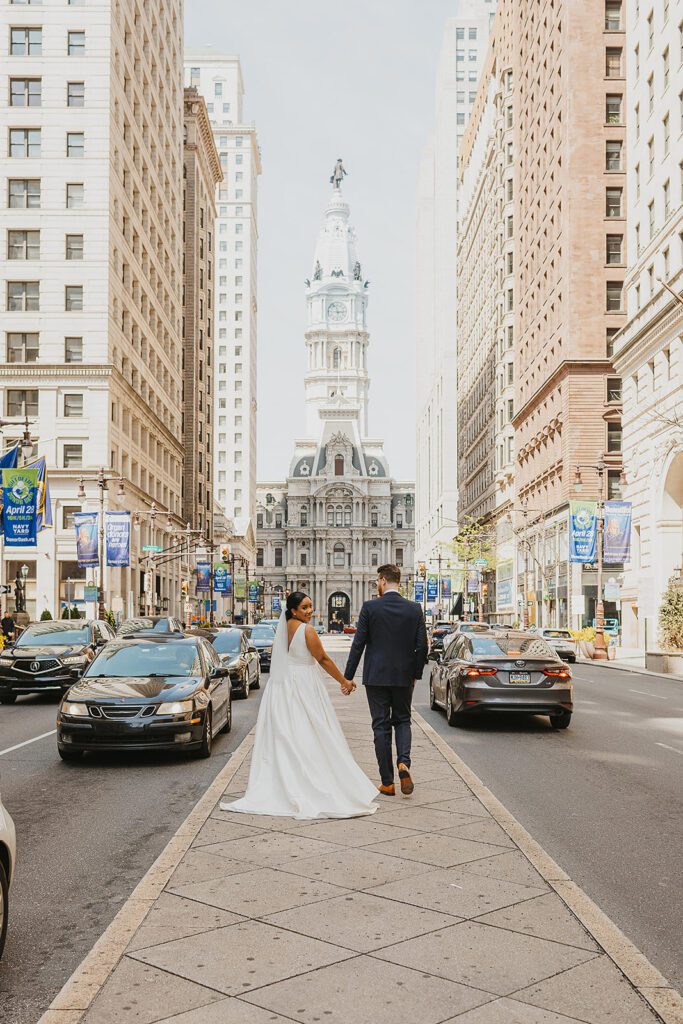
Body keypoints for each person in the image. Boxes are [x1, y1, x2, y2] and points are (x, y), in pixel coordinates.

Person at [222, 592, 378, 820]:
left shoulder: (282, 630)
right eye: (304, 607)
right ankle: (312, 779)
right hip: (304, 684)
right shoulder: (307, 630)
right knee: (314, 731)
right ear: (293, 610)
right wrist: (343, 681)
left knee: (286, 735)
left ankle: (286, 780)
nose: (309, 611)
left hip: (281, 687)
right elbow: (323, 659)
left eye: (311, 606)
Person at [344, 564, 428, 797]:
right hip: (403, 676)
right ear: (397, 581)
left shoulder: (370, 607)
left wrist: (348, 677)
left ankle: (388, 782)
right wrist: (415, 674)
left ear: (382, 580)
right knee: (402, 720)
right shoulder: (414, 609)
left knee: (380, 725)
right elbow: (422, 646)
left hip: (376, 677)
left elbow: (358, 644)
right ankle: (404, 763)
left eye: (377, 581)